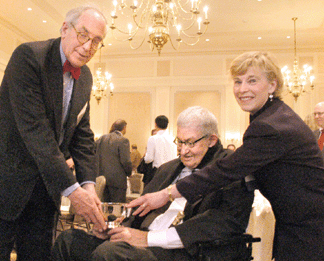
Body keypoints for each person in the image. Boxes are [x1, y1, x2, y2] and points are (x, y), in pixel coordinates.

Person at [128, 51, 324, 261]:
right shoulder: (271, 116)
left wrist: (167, 194)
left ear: (272, 85)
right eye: (238, 82)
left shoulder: (270, 125)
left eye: (252, 81)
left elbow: (225, 170)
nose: (242, 89)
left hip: (311, 226)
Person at [52, 106, 255, 261]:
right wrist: (115, 228)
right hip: (143, 239)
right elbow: (140, 208)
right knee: (69, 240)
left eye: (191, 143)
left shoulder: (229, 169)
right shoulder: (169, 168)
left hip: (184, 250)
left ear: (212, 140)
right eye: (180, 142)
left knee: (110, 253)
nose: (183, 150)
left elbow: (222, 223)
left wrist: (146, 239)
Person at [0, 5, 108, 260]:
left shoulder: (87, 77)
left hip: (45, 193)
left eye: (97, 41)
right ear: (64, 29)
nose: (88, 47)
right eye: (83, 34)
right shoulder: (28, 57)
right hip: (7, 185)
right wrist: (72, 190)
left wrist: (89, 186)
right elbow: (37, 132)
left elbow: (82, 135)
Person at [96, 119, 132, 203]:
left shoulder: (101, 139)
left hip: (102, 179)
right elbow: (126, 161)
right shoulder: (123, 140)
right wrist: (129, 173)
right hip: (117, 181)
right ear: (124, 128)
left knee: (103, 207)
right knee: (117, 209)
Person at [143, 115, 177, 185]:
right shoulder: (172, 139)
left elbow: (149, 159)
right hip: (170, 172)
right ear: (167, 125)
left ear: (155, 125)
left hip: (158, 172)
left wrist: (145, 156)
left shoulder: (153, 138)